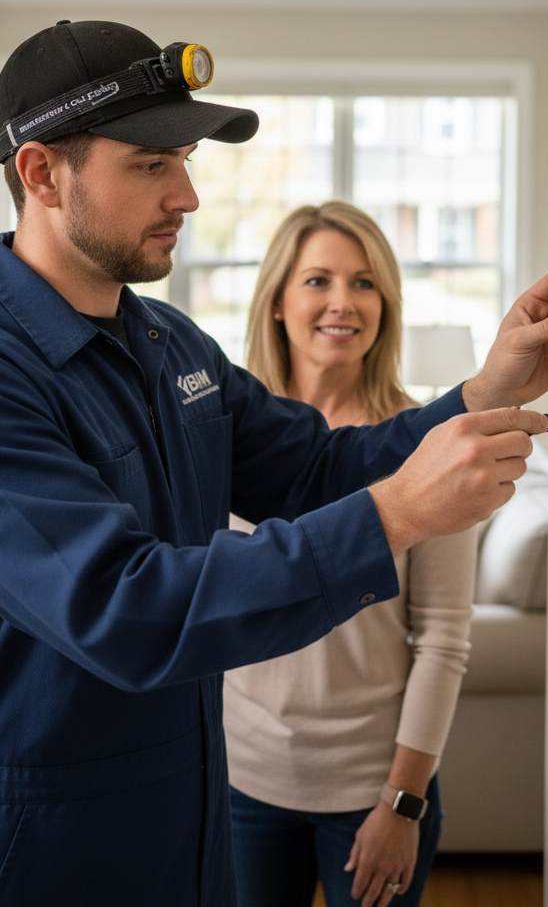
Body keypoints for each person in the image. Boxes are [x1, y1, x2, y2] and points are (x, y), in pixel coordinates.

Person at [0, 19, 548, 907]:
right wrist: (398, 514)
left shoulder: (171, 345)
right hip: (38, 843)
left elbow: (317, 468)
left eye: (187, 160)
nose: (189, 196)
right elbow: (122, 608)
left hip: (193, 810)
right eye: (150, 164)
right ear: (42, 173)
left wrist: (479, 393)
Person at [224, 203, 475, 907]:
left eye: (364, 283)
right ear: (277, 301)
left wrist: (402, 803)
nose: (342, 302)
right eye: (318, 280)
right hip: (242, 778)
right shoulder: (222, 440)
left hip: (373, 788)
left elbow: (443, 640)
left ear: (386, 305)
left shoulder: (429, 449)